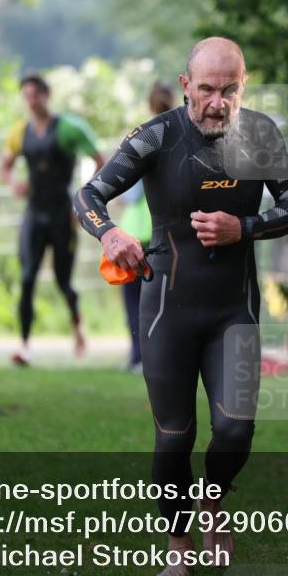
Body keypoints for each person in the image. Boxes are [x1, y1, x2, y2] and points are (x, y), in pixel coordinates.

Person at [73, 37, 288, 576]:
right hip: (167, 311)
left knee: (234, 431)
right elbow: (87, 196)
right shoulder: (156, 136)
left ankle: (212, 503)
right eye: (206, 89)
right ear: (186, 87)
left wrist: (244, 227)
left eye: (230, 90)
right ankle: (180, 542)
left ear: (242, 86)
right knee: (173, 437)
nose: (217, 102)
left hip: (234, 309)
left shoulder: (262, 134)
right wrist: (109, 235)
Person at [0, 73, 106, 366]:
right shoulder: (20, 132)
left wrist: (84, 200)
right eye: (27, 97)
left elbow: (101, 162)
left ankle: (78, 328)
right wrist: (14, 183)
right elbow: (5, 166)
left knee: (63, 281)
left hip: (63, 214)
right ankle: (24, 346)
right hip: (34, 213)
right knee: (27, 277)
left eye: (36, 95)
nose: (32, 102)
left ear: (47, 96)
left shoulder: (70, 128)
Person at [117, 82, 174, 373]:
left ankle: (138, 357)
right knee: (161, 302)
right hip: (163, 233)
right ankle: (159, 357)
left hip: (133, 232)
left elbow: (133, 193)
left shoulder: (143, 137)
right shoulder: (179, 136)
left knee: (134, 303)